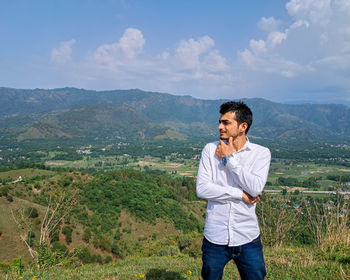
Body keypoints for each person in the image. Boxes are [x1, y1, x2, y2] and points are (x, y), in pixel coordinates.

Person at [196, 101, 271, 280]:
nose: (220, 127)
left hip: (247, 235)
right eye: (220, 122)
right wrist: (240, 195)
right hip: (215, 236)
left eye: (226, 122)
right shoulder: (210, 149)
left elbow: (255, 188)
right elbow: (202, 189)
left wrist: (229, 159)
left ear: (243, 126)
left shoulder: (261, 153)